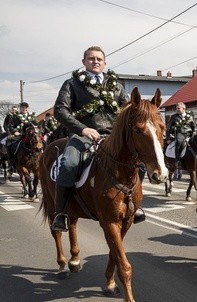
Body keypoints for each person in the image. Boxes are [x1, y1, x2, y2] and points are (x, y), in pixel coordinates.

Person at [51, 46, 137, 232]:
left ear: (105, 63)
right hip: (83, 136)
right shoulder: (72, 84)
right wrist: (83, 129)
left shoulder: (116, 86)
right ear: (84, 62)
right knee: (68, 163)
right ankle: (61, 212)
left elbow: (130, 109)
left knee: (140, 161)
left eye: (99, 59)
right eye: (91, 58)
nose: (95, 61)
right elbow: (60, 110)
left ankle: (134, 204)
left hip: (113, 138)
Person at [3, 102, 38, 170]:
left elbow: (38, 125)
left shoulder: (33, 117)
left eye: (26, 107)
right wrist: (14, 131)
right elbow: (11, 126)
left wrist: (37, 130)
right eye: (23, 107)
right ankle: (12, 163)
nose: (24, 109)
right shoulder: (15, 117)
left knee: (43, 143)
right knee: (9, 143)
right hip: (20, 135)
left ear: (28, 108)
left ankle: (42, 160)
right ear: (20, 108)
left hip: (31, 136)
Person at [166, 102, 195, 172]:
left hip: (189, 133)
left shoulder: (189, 116)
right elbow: (168, 128)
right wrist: (168, 138)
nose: (177, 109)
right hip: (180, 134)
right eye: (176, 108)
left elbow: (193, 126)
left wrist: (194, 132)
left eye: (178, 108)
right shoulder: (174, 117)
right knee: (179, 142)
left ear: (184, 108)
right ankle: (177, 161)